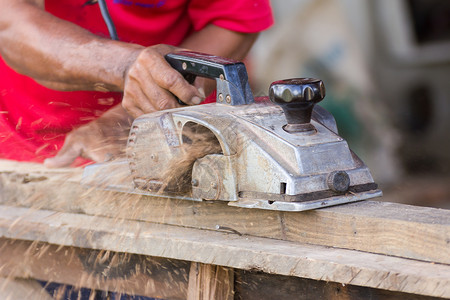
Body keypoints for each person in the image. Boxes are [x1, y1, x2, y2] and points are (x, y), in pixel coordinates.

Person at [0, 0, 273, 167]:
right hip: (21, 143)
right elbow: (11, 23)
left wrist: (136, 116)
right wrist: (124, 64)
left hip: (174, 139)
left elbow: (234, 21)